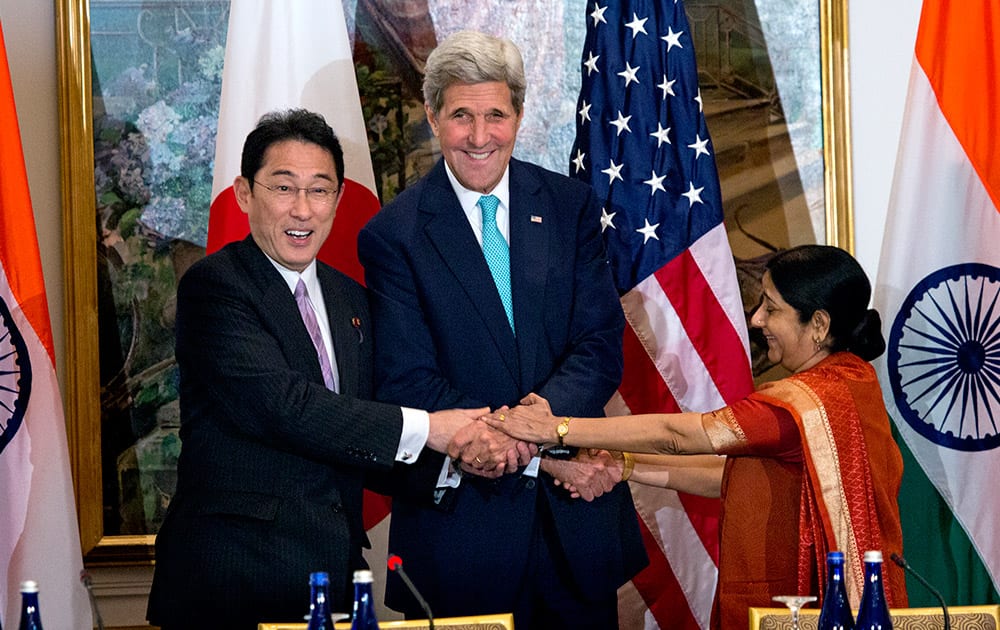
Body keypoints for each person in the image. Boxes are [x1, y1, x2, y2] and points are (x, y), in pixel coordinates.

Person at [146, 109, 487, 629]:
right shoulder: (215, 287)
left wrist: (470, 456)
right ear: (244, 193)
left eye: (320, 190)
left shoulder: (350, 297)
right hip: (233, 586)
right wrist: (432, 428)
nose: (302, 210)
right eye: (284, 188)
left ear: (337, 200)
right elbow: (286, 408)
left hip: (331, 579)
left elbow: (358, 423)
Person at [357, 30, 646, 629]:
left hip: (577, 531)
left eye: (495, 114)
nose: (480, 136)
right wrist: (539, 449)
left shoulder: (570, 206)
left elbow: (598, 346)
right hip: (462, 538)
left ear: (518, 113)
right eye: (462, 115)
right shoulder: (394, 235)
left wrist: (532, 428)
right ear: (434, 117)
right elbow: (409, 379)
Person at [484, 245, 909, 629]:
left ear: (818, 324)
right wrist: (626, 466)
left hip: (805, 609)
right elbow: (729, 477)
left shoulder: (799, 408)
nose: (757, 318)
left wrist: (556, 426)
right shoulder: (852, 387)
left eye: (771, 308)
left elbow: (677, 434)